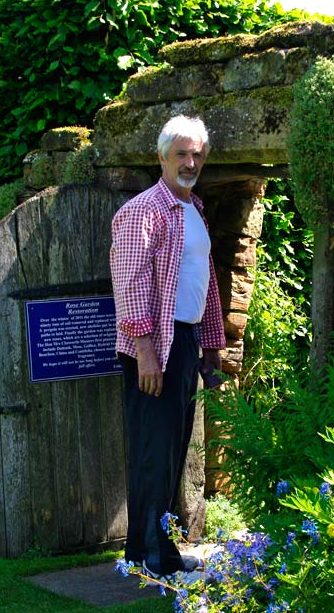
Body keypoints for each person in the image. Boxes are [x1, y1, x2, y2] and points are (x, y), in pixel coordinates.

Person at [110, 114, 226, 580]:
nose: (191, 161)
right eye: (182, 153)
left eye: (197, 153)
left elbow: (206, 285)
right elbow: (130, 281)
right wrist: (144, 349)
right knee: (154, 452)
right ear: (161, 156)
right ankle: (157, 558)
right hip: (155, 345)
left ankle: (143, 553)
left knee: (170, 453)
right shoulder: (145, 210)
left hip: (184, 342)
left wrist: (211, 349)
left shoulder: (191, 208)